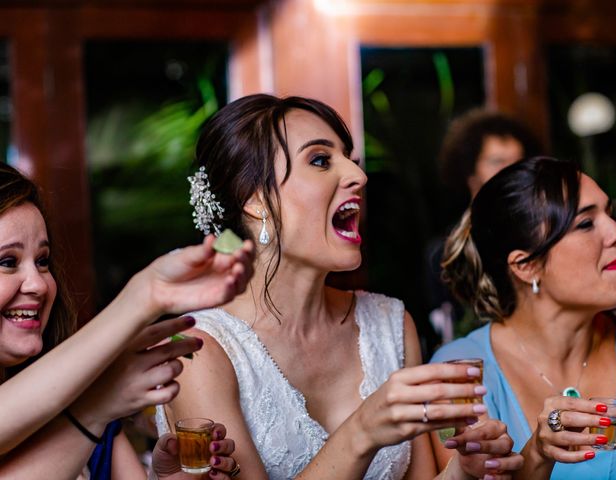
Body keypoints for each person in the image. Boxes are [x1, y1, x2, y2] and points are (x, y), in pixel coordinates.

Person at [156, 94, 524, 479]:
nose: (358, 177)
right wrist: (362, 430)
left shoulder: (390, 324)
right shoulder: (199, 351)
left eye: (351, 159)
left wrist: (464, 472)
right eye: (320, 160)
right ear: (256, 199)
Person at [0, 162, 252, 479]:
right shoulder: (90, 406)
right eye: (7, 262)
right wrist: (144, 296)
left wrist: (173, 477)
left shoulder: (88, 410)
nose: (38, 284)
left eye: (43, 261)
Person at [431, 156, 616, 479]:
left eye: (609, 214)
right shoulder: (462, 376)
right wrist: (538, 455)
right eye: (585, 224)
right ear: (526, 266)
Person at [427, 109, 543, 344]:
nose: (511, 171)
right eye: (497, 162)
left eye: (518, 162)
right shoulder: (445, 250)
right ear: (470, 172)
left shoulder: (542, 236)